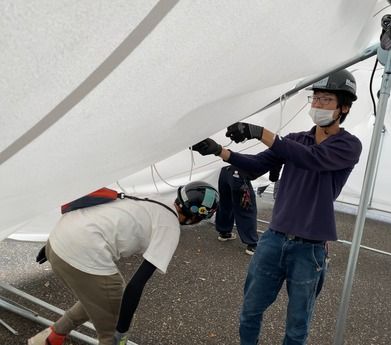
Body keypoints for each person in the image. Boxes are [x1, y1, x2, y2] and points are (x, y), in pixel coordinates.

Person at [192, 69, 362, 345]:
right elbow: (257, 166)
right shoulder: (294, 140)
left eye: (326, 100)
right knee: (250, 311)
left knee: (297, 325)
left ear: (344, 107)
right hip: (273, 240)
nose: (317, 105)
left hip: (310, 249)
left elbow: (312, 159)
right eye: (315, 98)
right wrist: (219, 151)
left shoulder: (348, 145)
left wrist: (260, 132)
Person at [28, 181, 219, 345]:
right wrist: (122, 328)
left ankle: (51, 338)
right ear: (196, 217)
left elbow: (101, 209)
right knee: (113, 323)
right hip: (80, 255)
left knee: (105, 297)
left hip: (56, 241)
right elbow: (135, 286)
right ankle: (54, 337)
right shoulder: (169, 228)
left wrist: (50, 247)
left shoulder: (154, 197)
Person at [215, 165, 259, 255]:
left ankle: (224, 232)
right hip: (239, 171)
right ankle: (252, 244)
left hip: (224, 170)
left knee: (225, 203)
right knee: (246, 207)